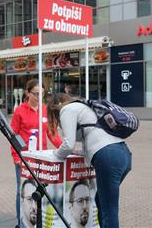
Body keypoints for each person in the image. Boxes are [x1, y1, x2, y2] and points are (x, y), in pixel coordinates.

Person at [47, 93, 132, 228]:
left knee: (109, 211)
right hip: (124, 155)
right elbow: (94, 136)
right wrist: (80, 152)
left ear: (53, 110)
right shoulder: (86, 107)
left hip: (108, 157)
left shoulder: (67, 110)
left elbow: (68, 144)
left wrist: (55, 155)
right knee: (101, 200)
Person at [10, 78, 62, 227]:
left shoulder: (46, 110)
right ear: (27, 93)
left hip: (42, 158)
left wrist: (65, 148)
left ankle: (39, 221)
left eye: (42, 94)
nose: (38, 97)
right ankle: (21, 222)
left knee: (41, 190)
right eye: (35, 94)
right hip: (24, 159)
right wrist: (16, 157)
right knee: (23, 191)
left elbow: (52, 134)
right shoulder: (20, 111)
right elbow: (13, 136)